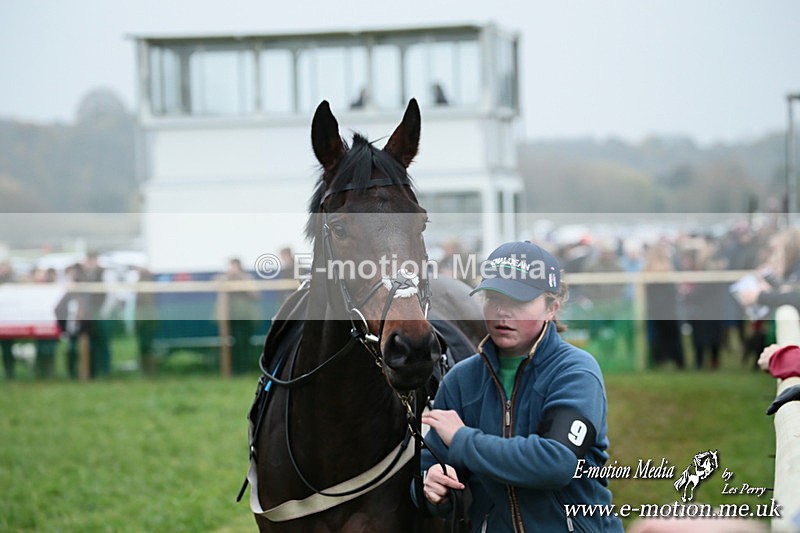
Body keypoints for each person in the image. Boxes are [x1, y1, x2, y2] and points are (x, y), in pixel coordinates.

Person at [418, 241, 623, 532]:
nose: (503, 311)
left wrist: (463, 440)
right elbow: (429, 465)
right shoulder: (461, 381)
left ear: (552, 308)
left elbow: (555, 463)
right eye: (493, 298)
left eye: (519, 301)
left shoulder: (575, 371)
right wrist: (431, 488)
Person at [217, 258, 260, 374]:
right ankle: (235, 369)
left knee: (245, 343)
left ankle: (245, 369)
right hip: (232, 318)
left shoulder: (247, 278)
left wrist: (240, 278)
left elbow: (256, 295)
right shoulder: (226, 279)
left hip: (247, 318)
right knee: (235, 344)